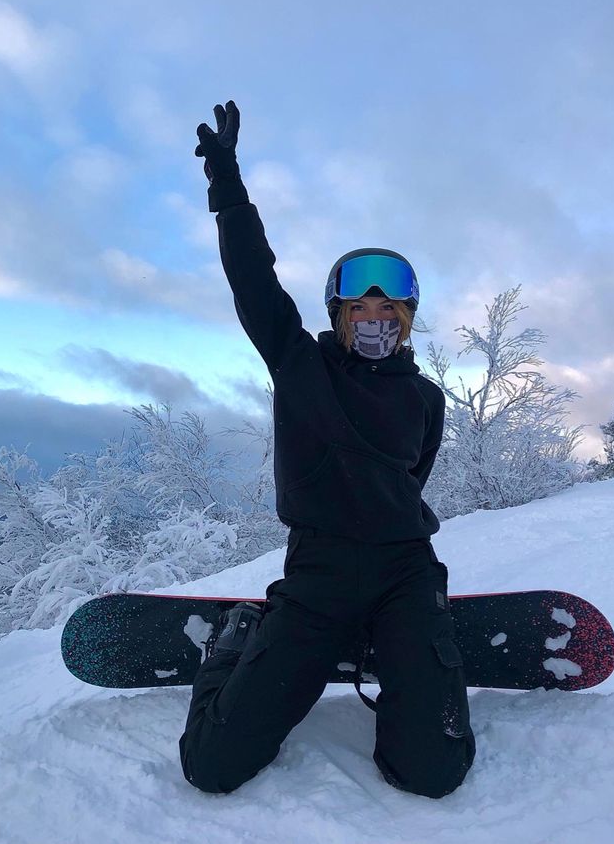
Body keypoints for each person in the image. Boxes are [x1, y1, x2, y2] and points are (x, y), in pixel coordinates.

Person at [179, 101, 475, 797]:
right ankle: (238, 637)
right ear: (337, 315)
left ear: (406, 321)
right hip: (319, 573)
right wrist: (228, 189)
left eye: (390, 309)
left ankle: (412, 643)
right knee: (213, 763)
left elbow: (411, 480)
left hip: (405, 569)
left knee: (431, 771)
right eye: (359, 308)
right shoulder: (298, 361)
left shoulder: (426, 398)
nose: (376, 318)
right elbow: (254, 277)